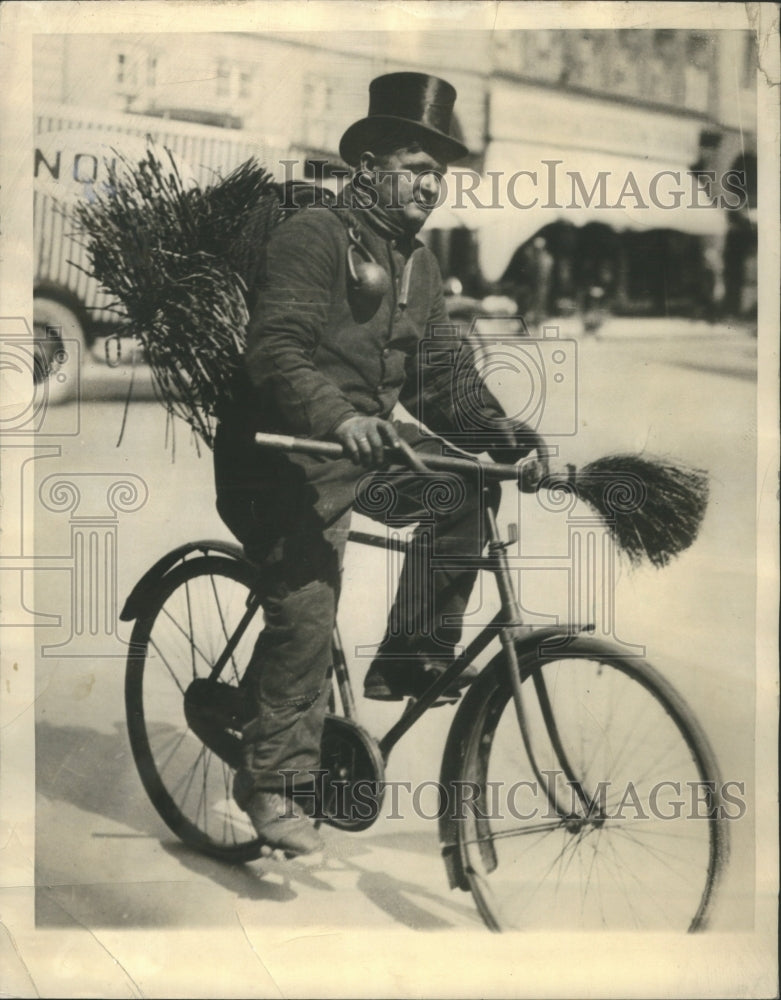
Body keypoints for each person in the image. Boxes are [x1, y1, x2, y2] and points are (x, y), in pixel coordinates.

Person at [213, 73, 536, 856]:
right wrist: (340, 417)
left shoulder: (418, 266)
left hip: (366, 448)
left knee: (463, 485)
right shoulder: (316, 235)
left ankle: (408, 657)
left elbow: (441, 379)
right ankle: (271, 782)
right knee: (309, 606)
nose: (429, 183)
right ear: (367, 166)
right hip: (280, 456)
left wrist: (502, 435)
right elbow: (274, 353)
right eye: (414, 165)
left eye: (439, 172)